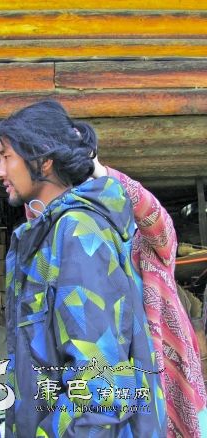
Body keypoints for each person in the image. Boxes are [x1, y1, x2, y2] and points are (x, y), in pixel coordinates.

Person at [0, 100, 166, 437]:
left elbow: (101, 385)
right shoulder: (51, 232)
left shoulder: (78, 232)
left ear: (43, 160)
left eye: (6, 156)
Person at [92, 157, 207, 438]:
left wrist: (99, 170)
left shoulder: (154, 247)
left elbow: (152, 212)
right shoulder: (91, 252)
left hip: (173, 374)